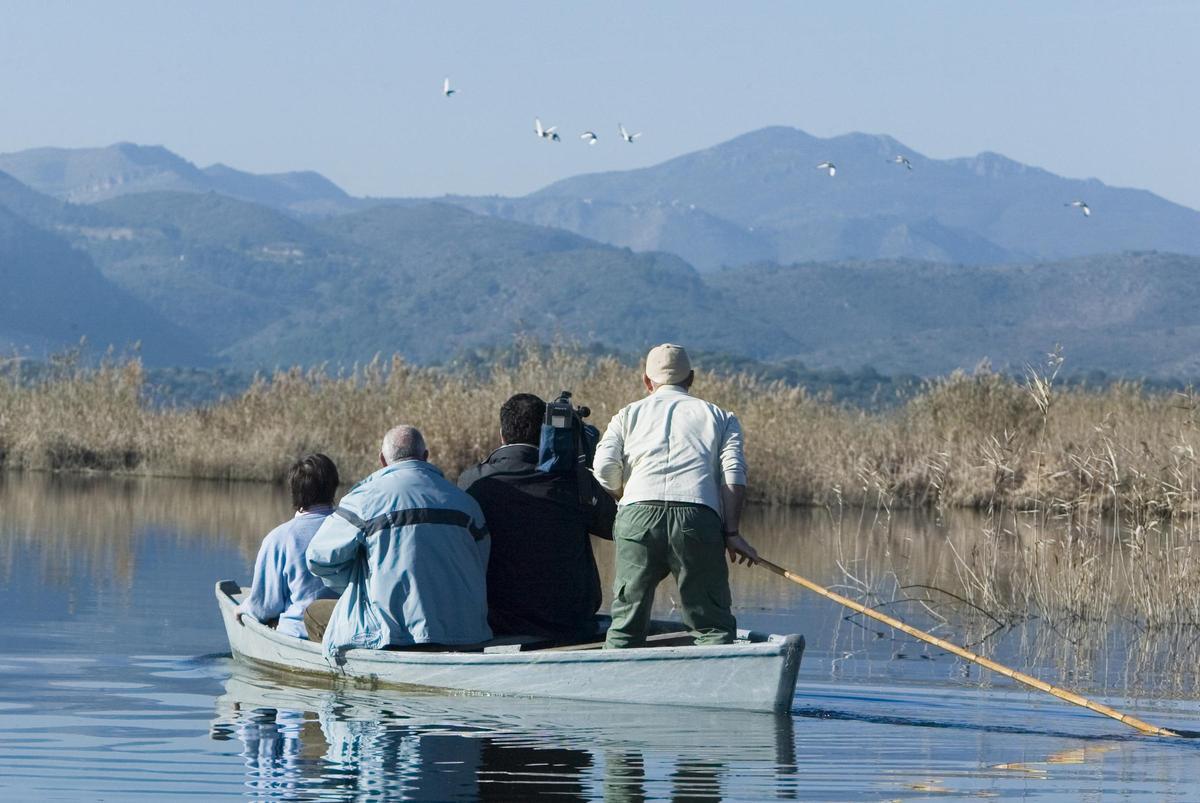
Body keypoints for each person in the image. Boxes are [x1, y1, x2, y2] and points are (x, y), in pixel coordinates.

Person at [592, 344, 759, 648]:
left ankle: (616, 674)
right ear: (691, 378)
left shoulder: (627, 415)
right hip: (697, 517)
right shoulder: (721, 417)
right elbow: (734, 474)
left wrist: (621, 494)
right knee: (712, 628)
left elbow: (603, 465)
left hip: (637, 516)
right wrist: (732, 532)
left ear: (647, 381)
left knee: (626, 627)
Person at [303, 425, 492, 654]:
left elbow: (317, 558)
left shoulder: (363, 500)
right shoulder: (465, 503)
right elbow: (481, 561)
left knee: (314, 613)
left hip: (394, 636)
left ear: (382, 460)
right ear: (425, 456)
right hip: (467, 634)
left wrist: (354, 582)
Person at [459, 393, 617, 638]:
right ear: (546, 432)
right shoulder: (573, 478)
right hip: (570, 620)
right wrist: (586, 465)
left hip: (500, 621)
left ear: (502, 434)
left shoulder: (473, 481)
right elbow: (614, 526)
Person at [235, 453, 341, 638]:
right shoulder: (351, 531)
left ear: (295, 491)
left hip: (299, 632)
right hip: (346, 630)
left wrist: (242, 609)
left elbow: (265, 607)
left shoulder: (279, 539)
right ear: (333, 488)